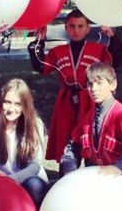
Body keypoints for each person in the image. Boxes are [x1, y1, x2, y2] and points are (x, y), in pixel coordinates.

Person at [27, 9, 115, 165]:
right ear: (66, 28)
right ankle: (67, 172)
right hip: (66, 102)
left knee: (92, 137)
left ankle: (91, 171)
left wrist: (111, 36)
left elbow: (116, 58)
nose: (76, 30)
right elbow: (41, 67)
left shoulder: (98, 49)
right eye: (72, 26)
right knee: (66, 141)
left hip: (90, 100)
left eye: (80, 26)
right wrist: (40, 40)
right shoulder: (58, 51)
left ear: (88, 28)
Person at [60, 62, 122, 178]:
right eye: (90, 84)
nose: (94, 89)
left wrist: (120, 167)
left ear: (113, 85)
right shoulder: (87, 118)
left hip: (119, 180)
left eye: (99, 83)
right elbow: (73, 147)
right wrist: (69, 168)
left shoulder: (121, 114)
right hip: (95, 179)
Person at [0, 78, 49, 209]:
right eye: (7, 102)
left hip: (27, 180)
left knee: (34, 185)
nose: (11, 109)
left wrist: (11, 179)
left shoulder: (35, 125)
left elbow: (35, 166)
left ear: (25, 106)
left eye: (18, 104)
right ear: (1, 102)